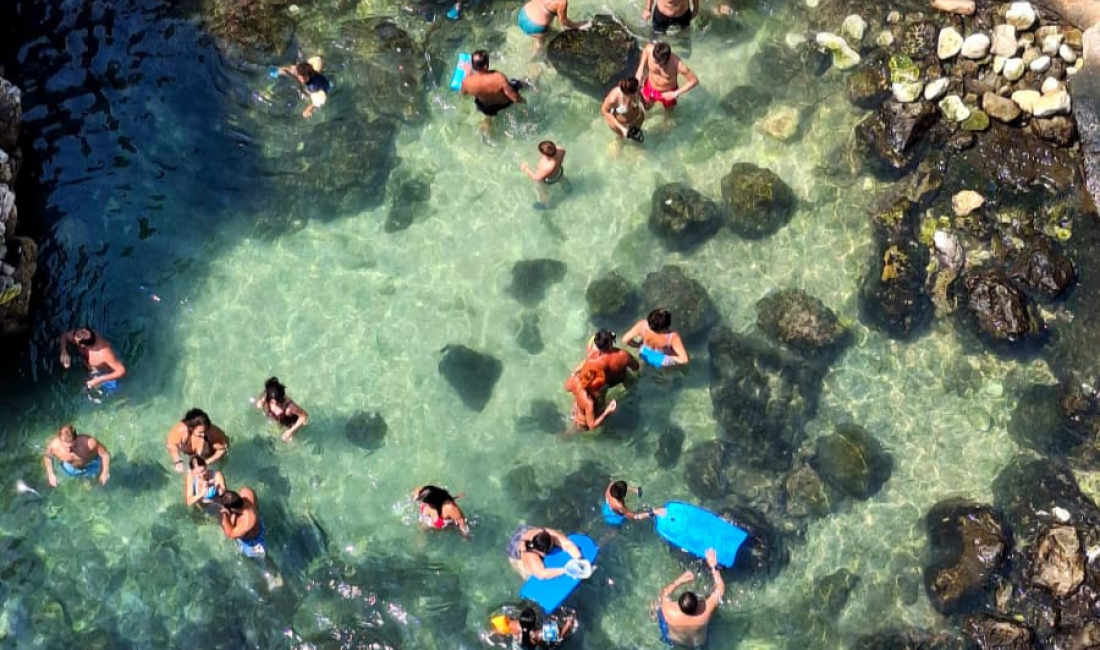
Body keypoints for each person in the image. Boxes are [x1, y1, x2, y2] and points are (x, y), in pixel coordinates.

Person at [657, 549, 725, 647]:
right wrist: (713, 566)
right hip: (697, 643)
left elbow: (664, 594)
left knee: (658, 607)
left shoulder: (669, 610)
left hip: (673, 639)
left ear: (678, 604)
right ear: (697, 606)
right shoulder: (704, 613)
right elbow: (720, 589)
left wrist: (679, 581)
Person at [460, 50, 525, 138]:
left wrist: (468, 74)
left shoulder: (466, 82)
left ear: (473, 66)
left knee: (485, 105)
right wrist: (524, 101)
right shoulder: (498, 77)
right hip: (503, 104)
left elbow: (463, 94)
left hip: (485, 107)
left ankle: (487, 122)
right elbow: (514, 98)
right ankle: (528, 81)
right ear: (486, 66)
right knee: (518, 83)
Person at [635, 42, 699, 113]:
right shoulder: (650, 50)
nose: (656, 64)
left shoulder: (677, 64)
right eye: (654, 61)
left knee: (669, 112)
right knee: (647, 107)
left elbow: (694, 80)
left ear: (666, 60)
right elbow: (646, 50)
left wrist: (675, 93)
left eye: (658, 63)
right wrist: (640, 69)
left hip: (668, 93)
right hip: (650, 87)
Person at [58, 327, 127, 391]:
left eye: (75, 341)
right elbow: (64, 336)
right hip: (88, 366)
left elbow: (121, 370)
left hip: (103, 372)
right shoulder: (81, 335)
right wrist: (63, 351)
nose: (72, 338)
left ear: (83, 345)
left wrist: (99, 380)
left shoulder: (104, 353)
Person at [42, 424, 111, 487]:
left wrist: (105, 472)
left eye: (72, 446)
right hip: (71, 468)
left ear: (76, 439)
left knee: (100, 484)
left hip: (91, 464)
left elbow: (105, 454)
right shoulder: (54, 446)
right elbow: (47, 457)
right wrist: (51, 474)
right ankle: (82, 480)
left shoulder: (89, 443)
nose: (69, 450)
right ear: (60, 441)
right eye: (65, 447)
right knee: (50, 485)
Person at [165, 408, 230, 472]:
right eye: (200, 432)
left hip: (211, 457)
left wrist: (206, 462)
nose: (204, 434)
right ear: (191, 428)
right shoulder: (181, 430)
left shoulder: (212, 432)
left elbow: (222, 449)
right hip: (193, 457)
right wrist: (177, 461)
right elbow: (171, 444)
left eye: (205, 430)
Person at [622, 308, 689, 368]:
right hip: (661, 360)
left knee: (648, 363)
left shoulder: (642, 325)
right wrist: (670, 358)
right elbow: (684, 360)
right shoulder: (673, 337)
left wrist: (638, 345)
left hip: (644, 352)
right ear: (666, 326)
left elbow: (625, 339)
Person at [507, 526, 582, 579]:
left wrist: (579, 559)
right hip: (515, 548)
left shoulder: (547, 533)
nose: (554, 540)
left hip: (526, 531)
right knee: (528, 574)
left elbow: (567, 544)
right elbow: (541, 574)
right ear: (541, 552)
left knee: (559, 534)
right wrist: (565, 570)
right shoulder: (530, 555)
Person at [564, 363, 617, 431]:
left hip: (576, 411)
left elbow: (566, 387)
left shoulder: (576, 380)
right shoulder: (589, 402)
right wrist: (607, 411)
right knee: (569, 433)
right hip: (583, 423)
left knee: (569, 432)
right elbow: (592, 426)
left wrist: (575, 373)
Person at [255, 376, 309, 442]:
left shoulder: (289, 407)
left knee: (286, 441)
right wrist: (261, 401)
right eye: (271, 402)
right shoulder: (267, 394)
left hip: (290, 423)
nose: (273, 404)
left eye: (277, 402)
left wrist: (291, 431)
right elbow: (261, 401)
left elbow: (304, 416)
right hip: (278, 420)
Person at [492, 607, 578, 647]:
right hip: (553, 618)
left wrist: (569, 623)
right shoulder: (520, 617)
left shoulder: (533, 635)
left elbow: (557, 634)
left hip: (568, 625)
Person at [217, 488, 266, 557]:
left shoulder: (246, 522)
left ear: (232, 509)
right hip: (254, 523)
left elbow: (230, 534)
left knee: (258, 559)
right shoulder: (246, 493)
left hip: (254, 542)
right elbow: (256, 504)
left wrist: (224, 515)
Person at [520, 141, 567, 210]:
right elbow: (559, 151)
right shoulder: (560, 150)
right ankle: (568, 189)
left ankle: (545, 204)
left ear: (544, 154)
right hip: (559, 172)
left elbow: (536, 177)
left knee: (541, 190)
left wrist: (525, 169)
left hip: (548, 180)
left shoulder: (548, 166)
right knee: (562, 180)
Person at [517, 0, 582, 46]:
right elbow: (564, 22)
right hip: (535, 27)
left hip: (523, 14)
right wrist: (578, 25)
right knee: (540, 43)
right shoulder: (562, 2)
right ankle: (534, 59)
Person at [601, 77, 646, 141]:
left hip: (637, 119)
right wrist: (622, 129)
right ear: (631, 93)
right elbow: (604, 111)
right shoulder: (614, 98)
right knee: (619, 141)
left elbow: (643, 102)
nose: (641, 86)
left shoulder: (636, 90)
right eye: (639, 87)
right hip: (622, 125)